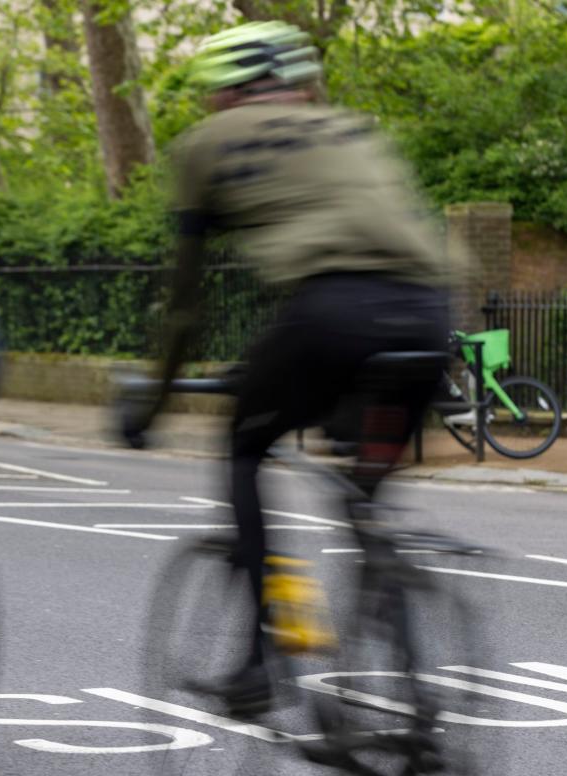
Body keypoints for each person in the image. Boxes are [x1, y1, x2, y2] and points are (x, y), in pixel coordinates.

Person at [124, 21, 463, 713]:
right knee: (363, 495)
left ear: (219, 95)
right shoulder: (354, 130)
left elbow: (185, 301)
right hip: (430, 317)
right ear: (301, 86)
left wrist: (152, 401)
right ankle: (413, 694)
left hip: (329, 316)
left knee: (245, 445)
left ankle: (256, 661)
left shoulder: (205, 145)